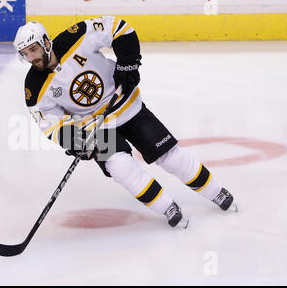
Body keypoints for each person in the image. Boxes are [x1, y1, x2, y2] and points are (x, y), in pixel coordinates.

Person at [13, 16, 236, 228]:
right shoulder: (34, 87)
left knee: (169, 156)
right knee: (120, 167)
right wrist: (75, 140)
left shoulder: (75, 37)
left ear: (45, 42)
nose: (32, 58)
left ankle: (216, 191)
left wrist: (128, 64)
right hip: (95, 128)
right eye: (25, 54)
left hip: (125, 104)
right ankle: (166, 207)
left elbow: (119, 28)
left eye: (33, 50)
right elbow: (51, 124)